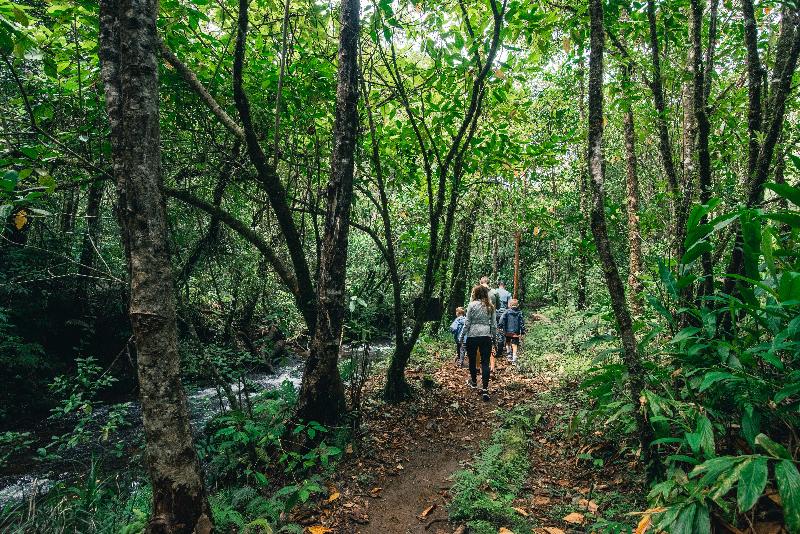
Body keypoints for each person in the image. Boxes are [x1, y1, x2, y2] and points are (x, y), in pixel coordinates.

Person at [459, 284, 497, 401]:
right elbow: (494, 325)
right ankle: (485, 390)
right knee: (485, 363)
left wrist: (461, 336)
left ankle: (474, 382)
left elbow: (467, 323)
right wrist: (494, 339)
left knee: (472, 359)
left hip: (473, 336)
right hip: (486, 336)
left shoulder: (471, 305)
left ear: (475, 294)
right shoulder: (490, 306)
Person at [499, 298, 525, 364]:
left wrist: (500, 326)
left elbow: (502, 319)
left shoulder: (506, 312)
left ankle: (509, 354)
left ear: (510, 305)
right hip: (516, 331)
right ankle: (514, 358)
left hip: (507, 330)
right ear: (518, 305)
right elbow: (522, 322)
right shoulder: (519, 313)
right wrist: (522, 331)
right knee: (514, 344)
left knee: (507, 342)